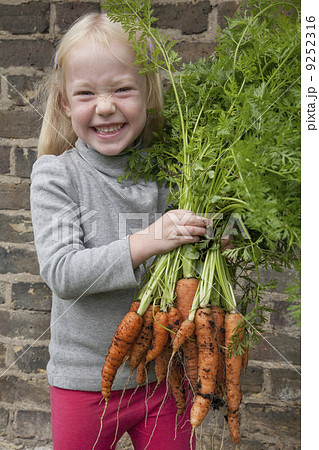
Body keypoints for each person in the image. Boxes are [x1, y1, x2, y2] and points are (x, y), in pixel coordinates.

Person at [30, 12, 211, 450]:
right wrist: (149, 238)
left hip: (161, 377)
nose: (106, 106)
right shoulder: (57, 176)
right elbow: (63, 272)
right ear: (64, 105)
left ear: (148, 94)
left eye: (122, 89)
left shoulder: (170, 171)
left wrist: (208, 238)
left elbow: (182, 256)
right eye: (87, 93)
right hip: (85, 383)